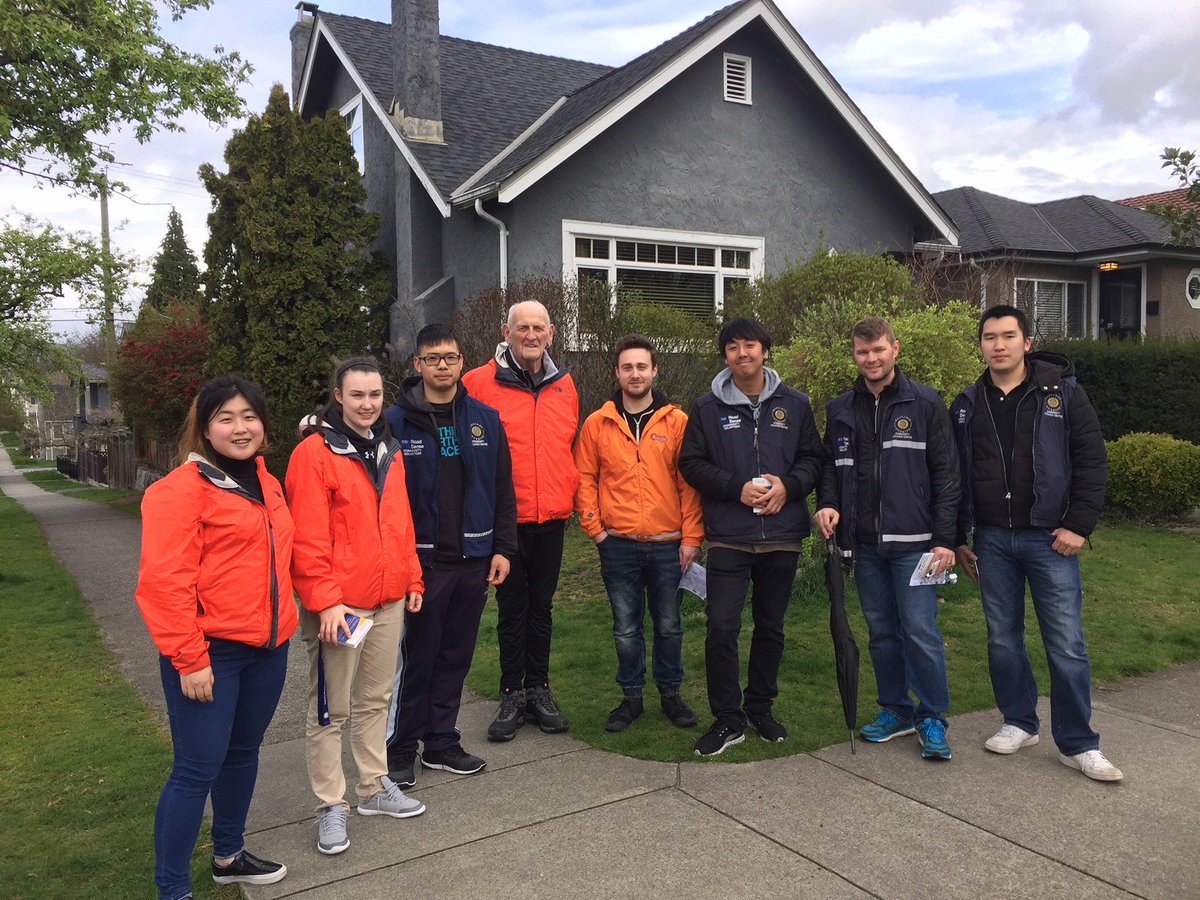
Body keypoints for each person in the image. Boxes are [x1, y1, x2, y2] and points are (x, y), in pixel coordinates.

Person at [136, 376, 293, 899]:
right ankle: (173, 888)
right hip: (210, 655)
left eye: (249, 416)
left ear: (264, 425)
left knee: (243, 752)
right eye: (225, 418)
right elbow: (163, 584)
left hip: (267, 648)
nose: (240, 428)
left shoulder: (268, 483)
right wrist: (189, 658)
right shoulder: (176, 492)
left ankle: (228, 855)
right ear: (205, 429)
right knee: (195, 770)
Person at [951, 304, 1122, 781]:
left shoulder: (1063, 395)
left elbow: (1091, 462)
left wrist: (1079, 526)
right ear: (981, 345)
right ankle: (1019, 722)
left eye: (1008, 335)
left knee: (1065, 643)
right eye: (989, 337)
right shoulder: (966, 404)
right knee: (1003, 639)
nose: (998, 344)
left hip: (1051, 539)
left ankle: (1078, 743)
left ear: (1027, 342)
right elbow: (955, 476)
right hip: (991, 540)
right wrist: (959, 536)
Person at [286, 358, 426, 858]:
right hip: (340, 608)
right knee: (330, 708)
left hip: (387, 599)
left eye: (374, 394)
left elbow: (401, 521)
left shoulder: (389, 447)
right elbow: (307, 536)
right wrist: (324, 602)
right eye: (357, 395)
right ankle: (331, 805)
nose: (367, 404)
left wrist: (412, 577)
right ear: (338, 398)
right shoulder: (314, 453)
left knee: (375, 700)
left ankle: (372, 788)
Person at [814, 317, 959, 760]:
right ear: (853, 356)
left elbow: (947, 477)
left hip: (916, 544)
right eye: (862, 352)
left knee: (919, 630)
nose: (871, 359)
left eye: (878, 350)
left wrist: (946, 539)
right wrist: (826, 503)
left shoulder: (927, 403)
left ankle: (932, 716)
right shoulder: (840, 407)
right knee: (881, 631)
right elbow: (829, 469)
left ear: (895, 349)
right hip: (864, 543)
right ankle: (896, 709)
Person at [679, 318, 825, 756]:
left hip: (782, 535)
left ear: (765, 350)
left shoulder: (795, 404)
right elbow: (691, 463)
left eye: (750, 346)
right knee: (721, 627)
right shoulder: (706, 407)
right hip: (728, 536)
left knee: (770, 627)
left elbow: (813, 459)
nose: (742, 354)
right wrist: (734, 487)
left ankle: (760, 708)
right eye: (733, 347)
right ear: (725, 356)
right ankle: (728, 719)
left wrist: (790, 487)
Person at [384, 324, 518, 787]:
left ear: (463, 363)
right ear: (417, 365)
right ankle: (400, 749)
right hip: (422, 566)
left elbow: (502, 489)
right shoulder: (393, 423)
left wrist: (502, 547)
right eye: (433, 357)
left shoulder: (484, 418)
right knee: (416, 658)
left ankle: (441, 742)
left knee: (455, 657)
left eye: (452, 357)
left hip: (474, 560)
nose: (444, 365)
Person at [461, 300, 580, 741]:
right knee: (512, 608)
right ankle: (511, 692)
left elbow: (568, 447)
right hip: (503, 521)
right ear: (506, 332)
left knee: (542, 606)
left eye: (538, 329)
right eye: (522, 328)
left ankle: (540, 689)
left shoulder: (565, 385)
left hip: (550, 516)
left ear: (551, 333)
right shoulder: (476, 383)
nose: (531, 336)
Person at [574, 334, 704, 733]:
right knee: (626, 627)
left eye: (642, 367)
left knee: (668, 625)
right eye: (627, 367)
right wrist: (596, 531)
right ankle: (631, 698)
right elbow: (584, 478)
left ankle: (671, 695)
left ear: (654, 371)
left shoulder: (677, 422)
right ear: (617, 372)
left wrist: (691, 538)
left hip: (668, 545)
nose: (635, 374)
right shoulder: (598, 423)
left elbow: (689, 484)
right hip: (618, 544)